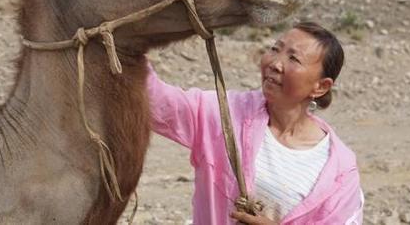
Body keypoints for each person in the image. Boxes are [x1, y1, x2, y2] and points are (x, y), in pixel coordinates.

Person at [147, 21, 363, 224]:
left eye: (294, 59)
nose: (275, 63)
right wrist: (128, 44)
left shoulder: (340, 171)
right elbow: (155, 101)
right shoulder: (225, 113)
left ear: (321, 87)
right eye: (275, 49)